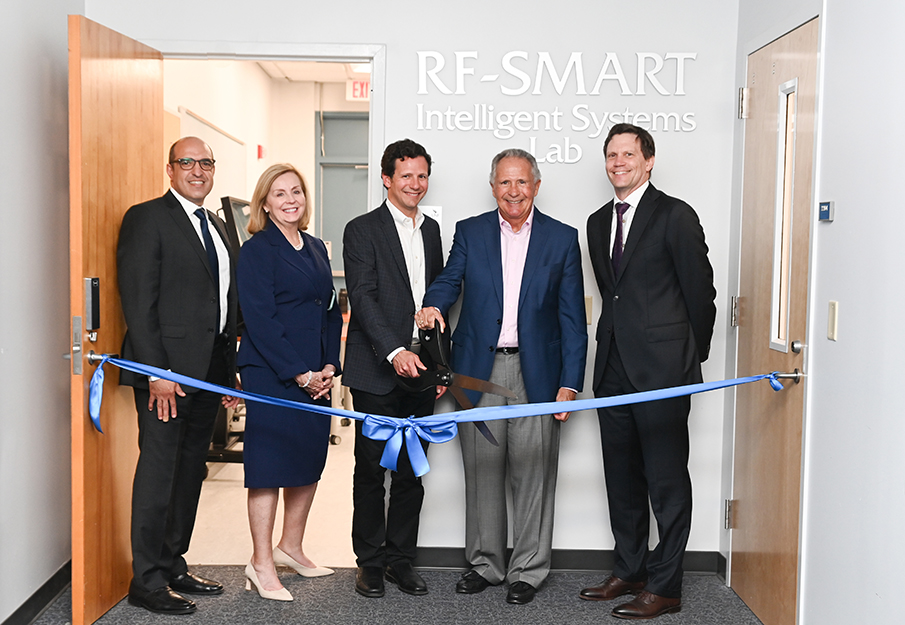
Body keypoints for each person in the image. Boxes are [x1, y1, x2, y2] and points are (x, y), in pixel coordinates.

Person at [418, 148, 587, 605]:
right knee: (482, 468)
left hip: (539, 373)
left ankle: (527, 571)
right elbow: (450, 280)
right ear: (493, 187)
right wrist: (433, 301)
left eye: (522, 182)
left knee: (534, 472)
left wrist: (571, 380)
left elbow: (573, 318)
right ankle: (486, 565)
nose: (514, 191)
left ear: (536, 185)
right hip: (479, 371)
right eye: (505, 183)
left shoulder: (562, 239)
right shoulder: (470, 232)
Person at [580, 124, 716, 620]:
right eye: (611, 155)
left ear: (649, 160)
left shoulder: (676, 216)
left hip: (664, 373)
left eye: (628, 154)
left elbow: (701, 296)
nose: (619, 162)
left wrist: (687, 359)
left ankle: (666, 586)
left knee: (665, 481)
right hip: (612, 368)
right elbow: (612, 297)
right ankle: (630, 569)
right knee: (622, 478)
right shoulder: (597, 222)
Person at [118, 137, 238, 615]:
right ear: (170, 169)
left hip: (208, 372)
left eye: (206, 163)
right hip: (166, 375)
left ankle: (173, 564)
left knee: (191, 473)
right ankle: (145, 581)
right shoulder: (147, 218)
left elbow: (224, 302)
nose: (198, 170)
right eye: (187, 162)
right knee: (158, 474)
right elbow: (138, 302)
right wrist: (156, 372)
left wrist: (229, 372)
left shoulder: (218, 225)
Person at [341, 139, 445, 599]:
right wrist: (394, 351)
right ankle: (369, 562)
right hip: (377, 371)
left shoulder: (433, 230)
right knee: (370, 471)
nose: (415, 184)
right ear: (387, 178)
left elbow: (438, 303)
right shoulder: (361, 230)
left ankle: (401, 560)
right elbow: (362, 297)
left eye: (421, 175)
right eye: (406, 176)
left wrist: (439, 367)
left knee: (411, 472)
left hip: (422, 370)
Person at [236, 163, 342, 601]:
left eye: (296, 191)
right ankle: (260, 563)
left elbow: (332, 310)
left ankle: (290, 547)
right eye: (279, 194)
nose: (290, 199)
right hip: (274, 374)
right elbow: (260, 320)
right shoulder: (258, 250)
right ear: (265, 202)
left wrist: (329, 367)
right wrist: (298, 373)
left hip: (317, 374)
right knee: (269, 467)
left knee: (306, 460)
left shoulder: (316, 246)